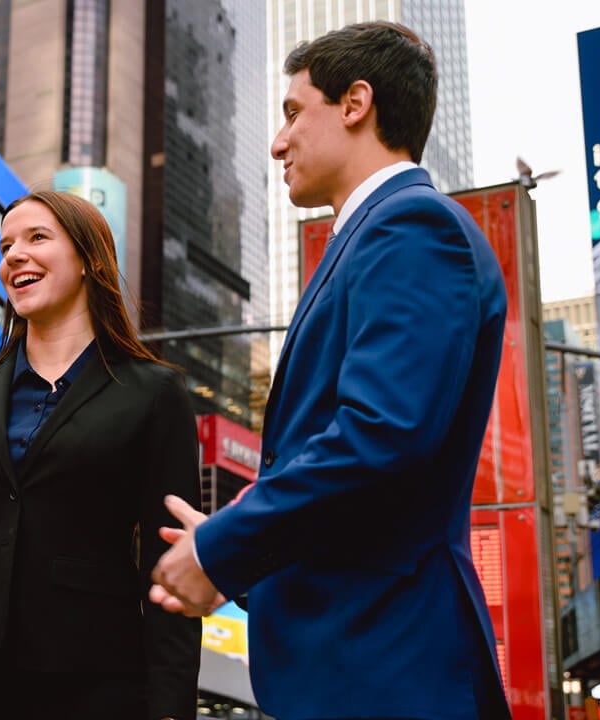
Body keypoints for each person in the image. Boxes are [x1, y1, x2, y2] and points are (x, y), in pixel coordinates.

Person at [149, 22, 511, 720]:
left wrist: (225, 546)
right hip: (360, 658)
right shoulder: (376, 236)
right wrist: (235, 552)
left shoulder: (412, 227)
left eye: (291, 112)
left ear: (355, 103)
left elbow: (380, 438)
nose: (278, 142)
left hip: (388, 664)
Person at [0, 191, 201, 720]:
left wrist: (170, 707)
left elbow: (168, 564)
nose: (14, 255)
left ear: (88, 261)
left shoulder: (154, 393)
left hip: (98, 679)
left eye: (36, 238)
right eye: (5, 244)